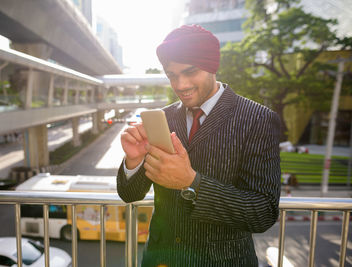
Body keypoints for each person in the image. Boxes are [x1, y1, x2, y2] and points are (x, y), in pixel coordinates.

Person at [116, 24, 281, 267]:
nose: (180, 85)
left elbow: (263, 212)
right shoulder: (164, 118)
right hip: (161, 259)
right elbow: (130, 194)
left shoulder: (258, 119)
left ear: (212, 66)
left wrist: (191, 182)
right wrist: (133, 161)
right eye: (172, 75)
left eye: (190, 72)